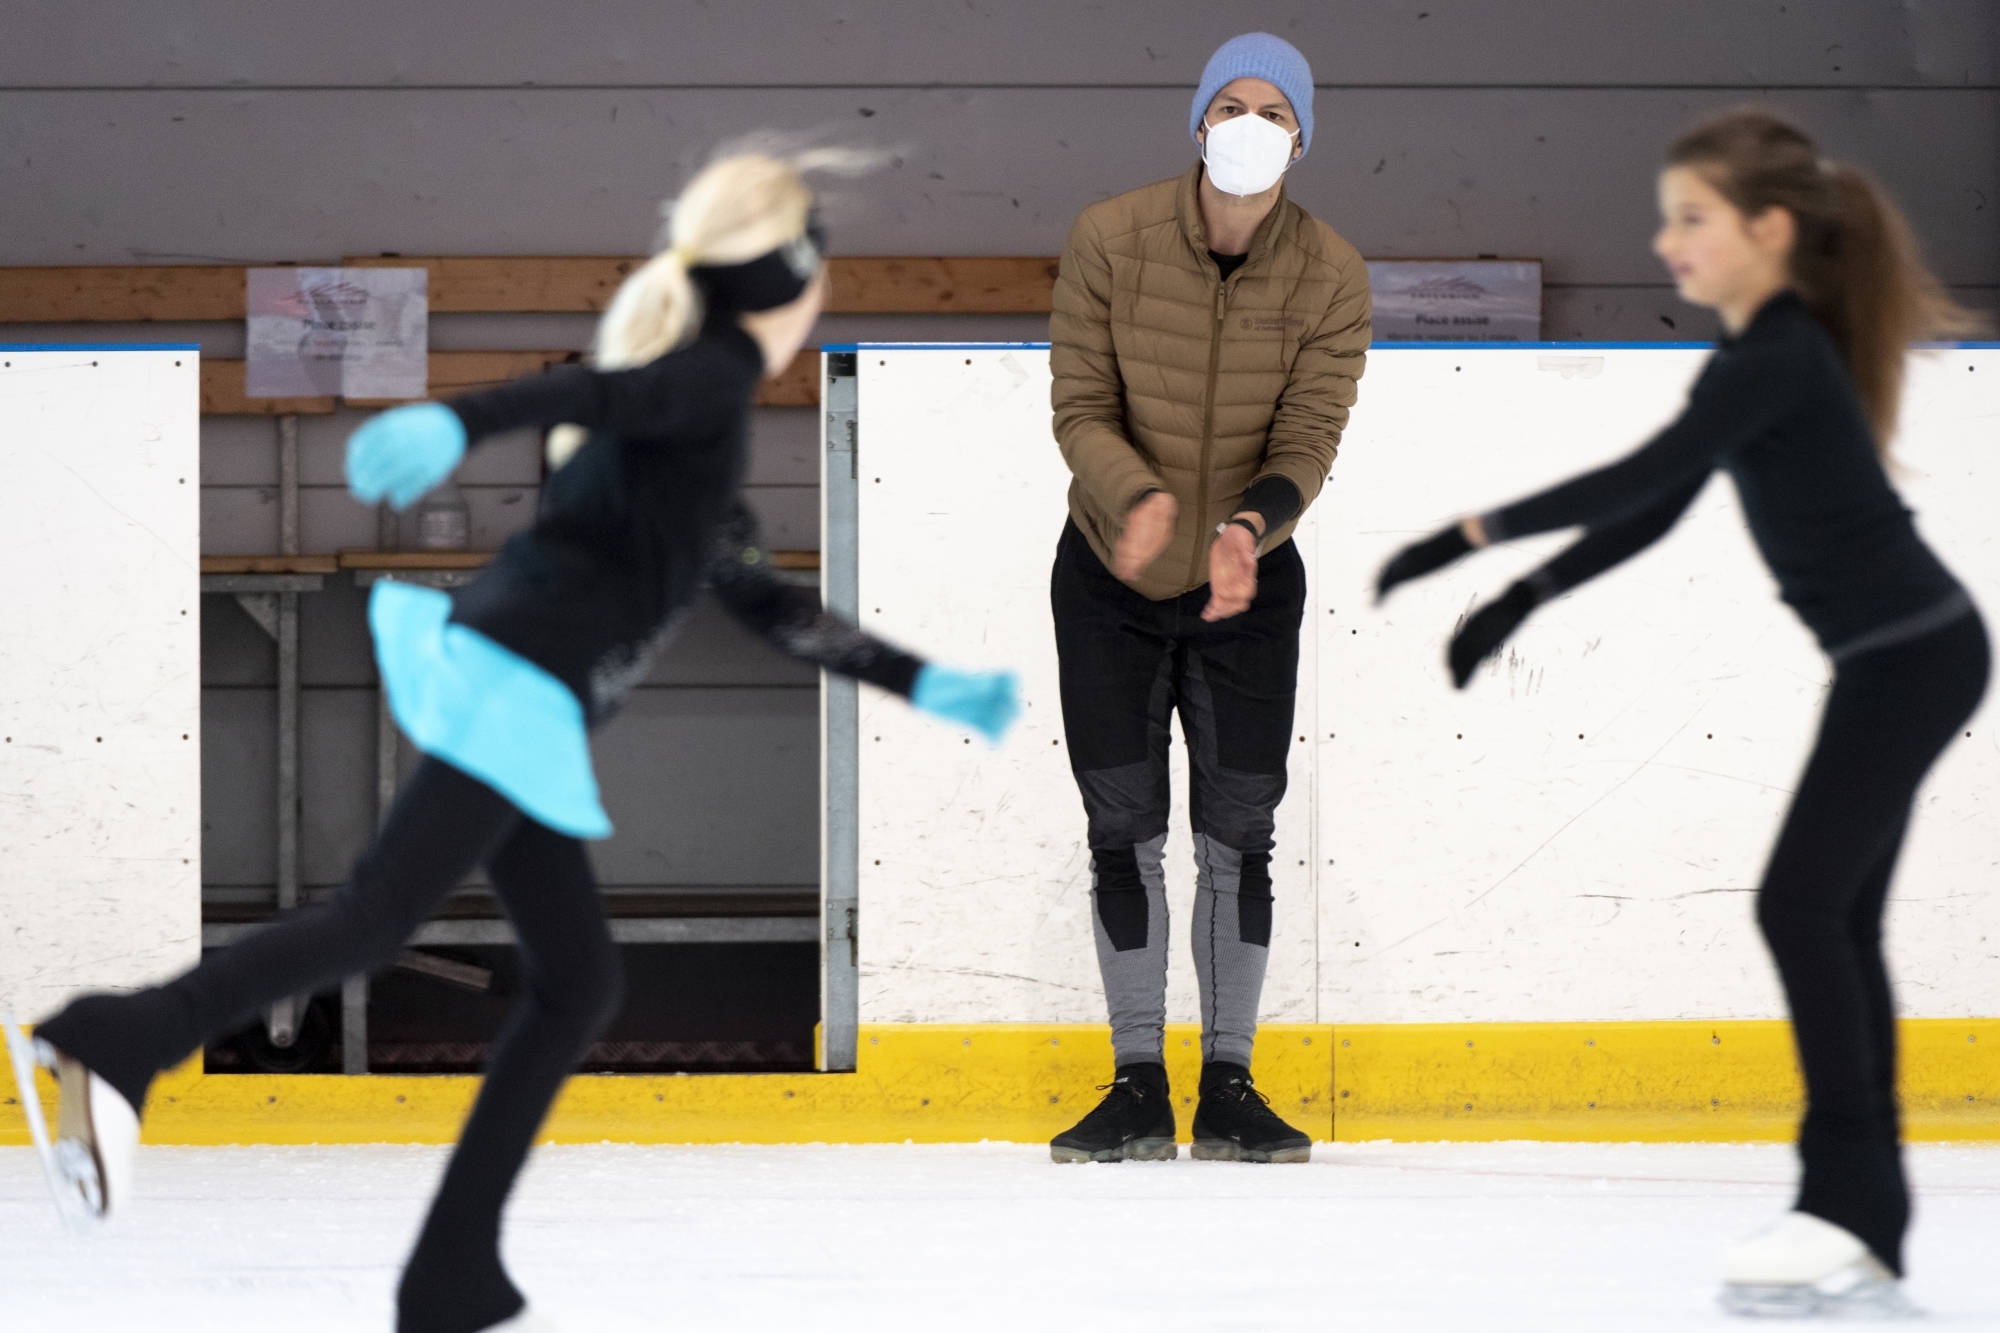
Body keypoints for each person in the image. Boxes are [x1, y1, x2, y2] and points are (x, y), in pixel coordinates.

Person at [21, 150, 1018, 1333]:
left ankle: (452, 1268)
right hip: (515, 687)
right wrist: (455, 418)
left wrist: (920, 680)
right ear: (788, 278)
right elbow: (599, 397)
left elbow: (762, 598)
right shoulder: (699, 381)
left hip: (525, 692)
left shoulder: (697, 432)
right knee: (376, 918)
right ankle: (123, 1033)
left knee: (576, 980)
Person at [1376, 109, 1984, 1317]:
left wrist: (1468, 537)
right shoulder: (1765, 358)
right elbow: (1658, 510)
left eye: (1691, 219)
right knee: (1833, 914)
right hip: (1906, 652)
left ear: (1767, 230)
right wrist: (1522, 597)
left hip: (1909, 655)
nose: (1664, 242)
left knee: (1801, 904)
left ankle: (1846, 1205)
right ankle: (1858, 1209)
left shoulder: (1771, 358)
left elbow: (1637, 477)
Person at [1046, 32, 1370, 1165]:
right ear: (1195, 124)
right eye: (1229, 105)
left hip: (1247, 578)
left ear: (1300, 138)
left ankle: (1226, 1084)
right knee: (1119, 829)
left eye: (1273, 113)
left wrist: (1244, 526)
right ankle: (1136, 1082)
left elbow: (1309, 433)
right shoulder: (1109, 237)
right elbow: (1078, 403)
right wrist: (1134, 496)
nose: (1248, 126)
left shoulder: (1328, 271)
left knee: (1239, 834)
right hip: (1107, 573)